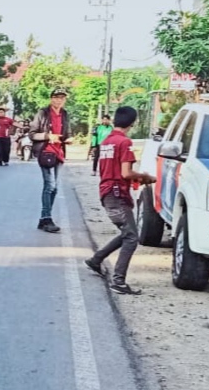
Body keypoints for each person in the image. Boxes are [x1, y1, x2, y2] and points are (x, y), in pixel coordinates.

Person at [84, 106, 156, 295]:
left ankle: (96, 260)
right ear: (133, 123)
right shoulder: (125, 142)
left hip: (107, 192)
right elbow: (126, 173)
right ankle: (118, 281)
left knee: (127, 232)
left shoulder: (107, 140)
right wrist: (144, 177)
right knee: (132, 238)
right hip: (117, 193)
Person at [29, 88, 71, 233]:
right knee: (50, 186)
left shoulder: (65, 114)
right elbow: (32, 134)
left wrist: (68, 139)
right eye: (56, 97)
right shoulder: (43, 113)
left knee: (55, 188)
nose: (59, 100)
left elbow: (66, 134)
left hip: (58, 153)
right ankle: (46, 218)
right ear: (51, 98)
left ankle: (44, 219)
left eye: (62, 98)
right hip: (45, 152)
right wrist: (48, 136)